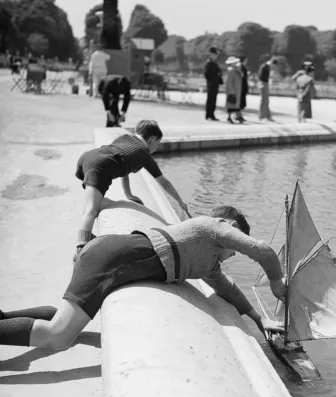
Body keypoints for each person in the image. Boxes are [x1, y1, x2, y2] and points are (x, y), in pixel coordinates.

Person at [0, 206, 287, 350]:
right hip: (112, 259)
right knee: (58, 337)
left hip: (114, 258)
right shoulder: (215, 228)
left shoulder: (208, 264)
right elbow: (262, 250)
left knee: (57, 321)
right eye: (237, 242)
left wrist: (259, 319)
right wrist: (277, 283)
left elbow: (228, 289)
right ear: (233, 227)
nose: (236, 252)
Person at [73, 119, 189, 261]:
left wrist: (128, 194)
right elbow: (164, 183)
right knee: (92, 209)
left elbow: (124, 168)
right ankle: (80, 252)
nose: (157, 148)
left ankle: (87, 235)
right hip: (100, 166)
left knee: (94, 203)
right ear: (152, 139)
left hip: (88, 157)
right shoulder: (144, 154)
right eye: (158, 143)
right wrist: (180, 202)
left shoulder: (125, 138)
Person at [204, 47, 223, 121]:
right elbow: (206, 74)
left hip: (215, 84)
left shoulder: (215, 63)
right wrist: (211, 80)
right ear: (211, 54)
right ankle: (208, 114)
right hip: (211, 84)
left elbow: (218, 73)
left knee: (214, 99)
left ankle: (212, 114)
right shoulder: (209, 63)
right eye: (215, 54)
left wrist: (219, 79)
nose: (216, 56)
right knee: (210, 99)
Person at [257, 56, 278, 121]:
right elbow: (260, 76)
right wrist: (261, 85)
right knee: (263, 100)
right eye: (274, 65)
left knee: (266, 100)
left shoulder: (268, 67)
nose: (273, 67)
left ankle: (268, 116)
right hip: (263, 84)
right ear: (272, 63)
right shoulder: (264, 67)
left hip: (265, 83)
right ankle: (261, 116)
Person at [225, 56, 243, 124]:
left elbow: (242, 75)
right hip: (233, 91)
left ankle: (233, 117)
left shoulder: (236, 70)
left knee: (234, 105)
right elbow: (229, 82)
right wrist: (231, 90)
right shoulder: (231, 71)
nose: (236, 63)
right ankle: (229, 117)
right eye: (234, 62)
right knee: (231, 104)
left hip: (237, 90)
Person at [237, 55, 249, 122]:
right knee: (240, 102)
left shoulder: (243, 67)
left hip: (243, 86)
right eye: (246, 60)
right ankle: (238, 115)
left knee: (242, 103)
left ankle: (240, 115)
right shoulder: (240, 66)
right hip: (240, 86)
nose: (246, 62)